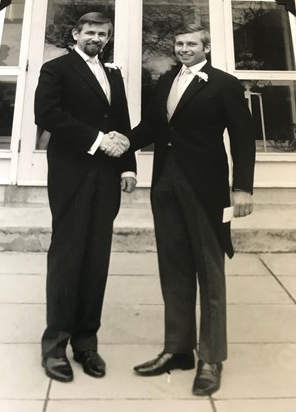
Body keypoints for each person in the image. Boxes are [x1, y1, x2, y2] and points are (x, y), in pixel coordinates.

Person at [127, 24, 255, 396]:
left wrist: (243, 188)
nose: (184, 49)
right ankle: (178, 349)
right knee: (174, 268)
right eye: (179, 43)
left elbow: (244, 139)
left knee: (210, 273)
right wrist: (119, 143)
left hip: (206, 189)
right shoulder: (166, 81)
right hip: (165, 185)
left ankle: (211, 358)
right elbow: (152, 127)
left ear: (207, 47)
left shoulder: (225, 84)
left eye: (191, 44)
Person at [34, 12, 136, 383]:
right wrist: (97, 141)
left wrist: (128, 166)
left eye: (103, 33)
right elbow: (46, 114)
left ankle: (86, 344)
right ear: (76, 33)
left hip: (107, 178)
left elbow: (121, 121)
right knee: (67, 259)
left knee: (96, 260)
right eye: (90, 31)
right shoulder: (56, 69)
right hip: (71, 175)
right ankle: (55, 347)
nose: (97, 37)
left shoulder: (113, 74)